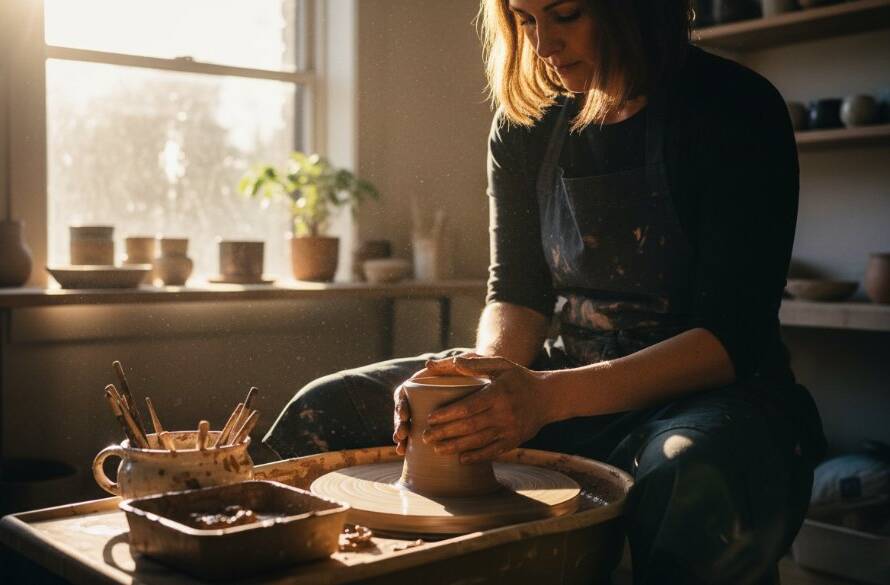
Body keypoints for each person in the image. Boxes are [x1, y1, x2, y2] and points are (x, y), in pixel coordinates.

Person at [264, 1, 827, 583]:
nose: (542, 44)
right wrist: (482, 383)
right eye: (525, 19)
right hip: (566, 373)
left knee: (691, 475)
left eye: (565, 14)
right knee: (326, 408)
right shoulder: (526, 121)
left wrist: (543, 399)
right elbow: (516, 292)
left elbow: (730, 337)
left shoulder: (735, 106)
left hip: (711, 395)